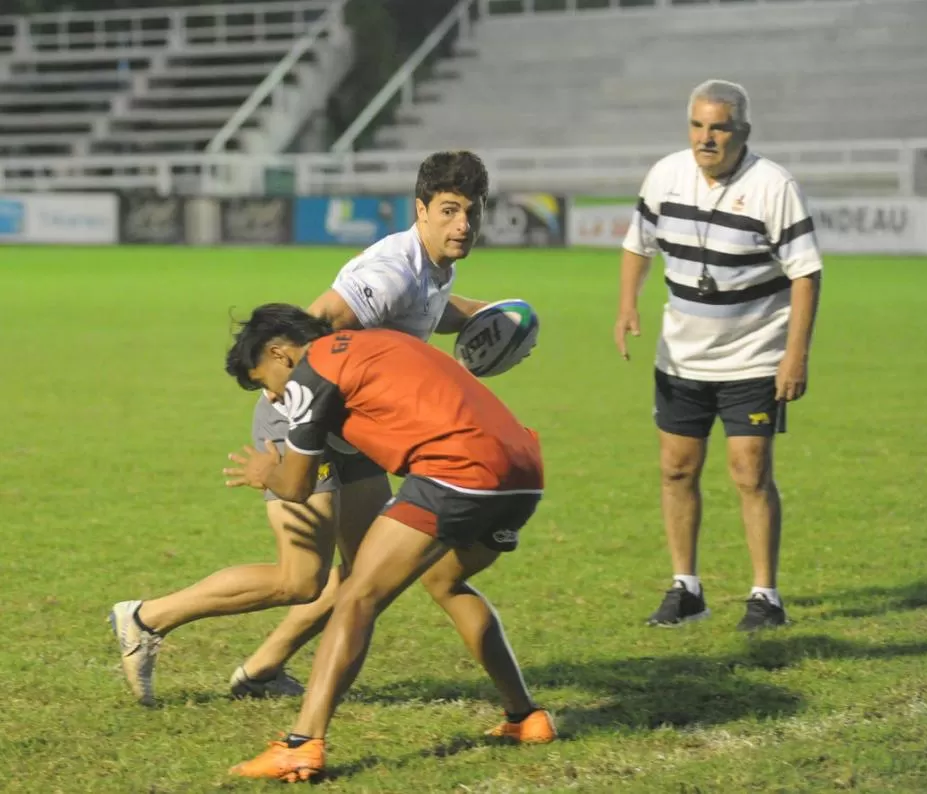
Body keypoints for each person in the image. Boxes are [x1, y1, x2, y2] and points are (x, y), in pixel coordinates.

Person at [108, 151, 498, 706]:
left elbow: (431, 307)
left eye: (472, 212)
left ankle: (263, 669)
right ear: (422, 210)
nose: (462, 225)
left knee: (368, 573)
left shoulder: (433, 268)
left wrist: (493, 314)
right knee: (300, 579)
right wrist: (294, 445)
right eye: (450, 211)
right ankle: (146, 619)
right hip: (301, 412)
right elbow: (312, 336)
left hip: (349, 424)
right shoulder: (389, 274)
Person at [220, 304, 556, 780]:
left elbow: (295, 486)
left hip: (458, 471)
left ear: (279, 354)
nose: (272, 398)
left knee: (357, 595)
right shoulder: (374, 340)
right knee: (446, 581)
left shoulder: (309, 374)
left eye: (264, 383)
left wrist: (263, 471)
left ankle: (301, 744)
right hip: (523, 469)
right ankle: (526, 717)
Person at [613, 79, 823, 631]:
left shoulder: (774, 186)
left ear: (742, 132)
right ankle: (686, 589)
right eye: (699, 125)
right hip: (680, 358)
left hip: (754, 356)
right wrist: (626, 306)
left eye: (719, 127)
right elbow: (637, 244)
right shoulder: (665, 176)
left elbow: (806, 274)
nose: (707, 138)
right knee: (677, 469)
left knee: (749, 472)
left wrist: (795, 355)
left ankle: (765, 596)